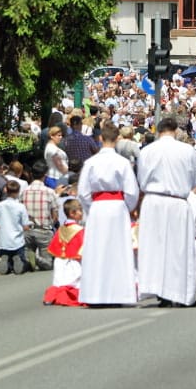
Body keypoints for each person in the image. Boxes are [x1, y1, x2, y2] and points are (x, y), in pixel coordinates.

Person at [137, 117, 196, 308]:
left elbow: (141, 178)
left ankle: (160, 290)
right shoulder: (187, 150)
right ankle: (180, 292)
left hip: (153, 200)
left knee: (155, 248)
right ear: (175, 130)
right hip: (176, 200)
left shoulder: (147, 151)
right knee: (178, 248)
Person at [77, 122, 140, 306]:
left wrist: (92, 207)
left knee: (97, 249)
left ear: (100, 139)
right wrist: (125, 208)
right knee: (118, 250)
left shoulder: (91, 162)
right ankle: (119, 294)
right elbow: (132, 191)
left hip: (98, 207)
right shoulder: (123, 162)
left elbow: (83, 191)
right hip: (118, 207)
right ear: (117, 139)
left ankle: (95, 294)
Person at [43, 199, 85, 306]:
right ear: (72, 213)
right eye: (80, 210)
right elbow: (83, 247)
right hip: (74, 260)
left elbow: (55, 245)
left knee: (60, 280)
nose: (82, 213)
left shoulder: (61, 229)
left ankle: (52, 297)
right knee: (73, 281)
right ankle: (66, 296)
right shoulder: (79, 230)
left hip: (60, 260)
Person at [22, 160, 59, 271]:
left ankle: (29, 257)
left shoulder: (24, 191)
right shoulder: (49, 192)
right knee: (48, 264)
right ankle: (36, 258)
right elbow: (55, 215)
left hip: (27, 231)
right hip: (43, 231)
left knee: (27, 259)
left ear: (31, 174)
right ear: (45, 175)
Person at [0, 180, 30, 275]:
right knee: (23, 259)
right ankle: (17, 259)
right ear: (18, 192)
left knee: (6, 253)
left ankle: (6, 259)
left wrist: (0, 228)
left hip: (3, 239)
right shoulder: (21, 206)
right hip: (17, 240)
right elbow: (25, 225)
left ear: (6, 190)